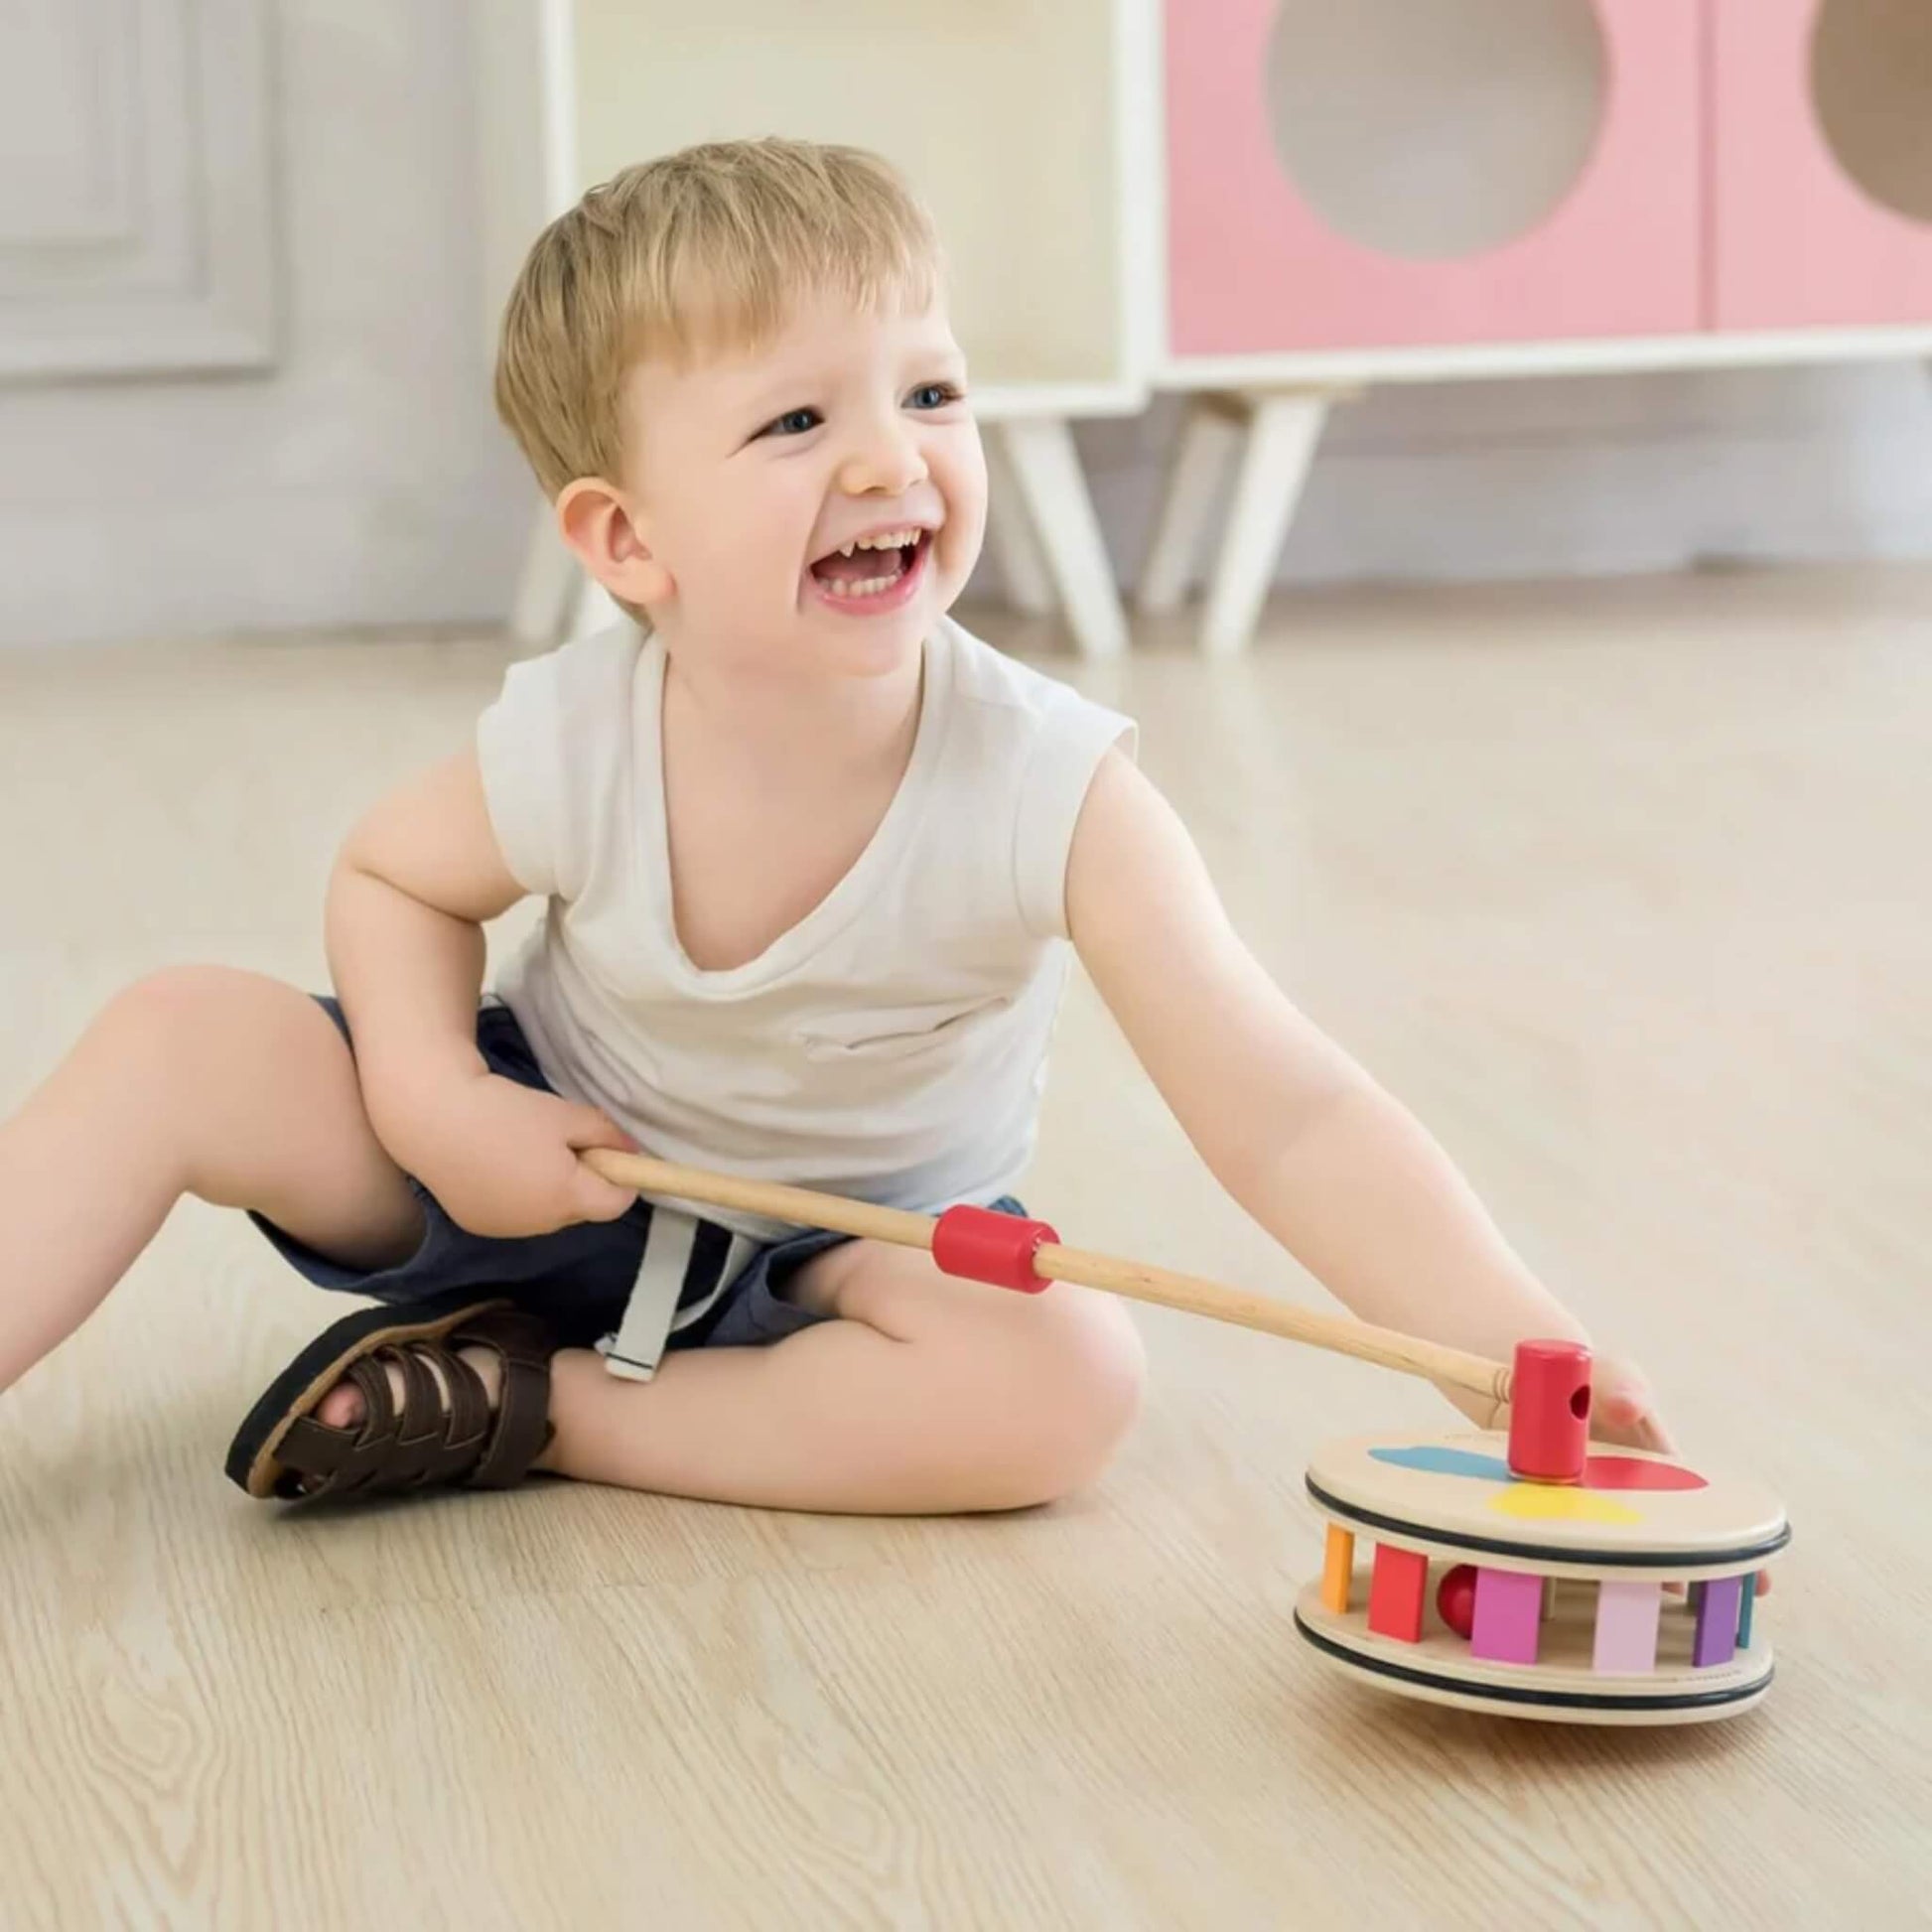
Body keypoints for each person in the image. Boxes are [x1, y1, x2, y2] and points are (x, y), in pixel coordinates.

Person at [0, 138, 1668, 1514]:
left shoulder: (1055, 787)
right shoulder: (588, 724)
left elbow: (1291, 1117)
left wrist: (1512, 1346)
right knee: (178, 1036)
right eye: (799, 422)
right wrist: (437, 1103)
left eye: (930, 395)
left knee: (1062, 1387)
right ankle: (493, 1329)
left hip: (841, 1268)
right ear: (627, 538)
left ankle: (540, 1407)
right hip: (533, 1167)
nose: (894, 460)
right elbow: (392, 878)